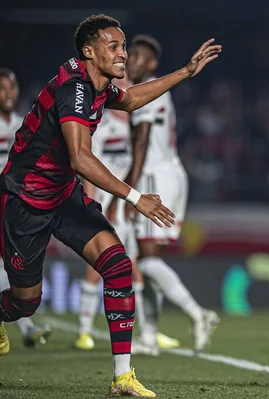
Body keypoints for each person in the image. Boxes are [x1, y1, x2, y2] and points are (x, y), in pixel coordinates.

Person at [0, 14, 221, 397]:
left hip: (62, 196)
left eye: (123, 46)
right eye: (114, 47)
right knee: (25, 303)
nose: (123, 55)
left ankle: (122, 378)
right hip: (26, 201)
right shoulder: (75, 90)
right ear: (89, 51)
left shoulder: (98, 85)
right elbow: (80, 159)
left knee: (118, 265)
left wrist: (186, 72)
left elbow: (133, 99)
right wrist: (137, 198)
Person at [105, 34, 219, 356]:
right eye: (131, 53)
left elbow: (140, 144)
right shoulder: (154, 90)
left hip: (154, 176)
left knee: (146, 258)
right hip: (166, 171)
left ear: (153, 63)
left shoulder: (149, 92)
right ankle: (150, 338)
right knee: (145, 258)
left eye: (138, 54)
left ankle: (199, 314)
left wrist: (124, 195)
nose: (131, 59)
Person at [73, 77, 181, 352]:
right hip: (110, 199)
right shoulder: (99, 125)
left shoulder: (136, 127)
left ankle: (148, 331)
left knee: (136, 266)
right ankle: (84, 330)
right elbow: (87, 164)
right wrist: (91, 200)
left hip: (133, 201)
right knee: (99, 264)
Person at [0, 68, 52, 351]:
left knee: (13, 264)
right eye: (2, 88)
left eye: (12, 86)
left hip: (15, 202)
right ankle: (28, 326)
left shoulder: (22, 122)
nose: (8, 93)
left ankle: (26, 326)